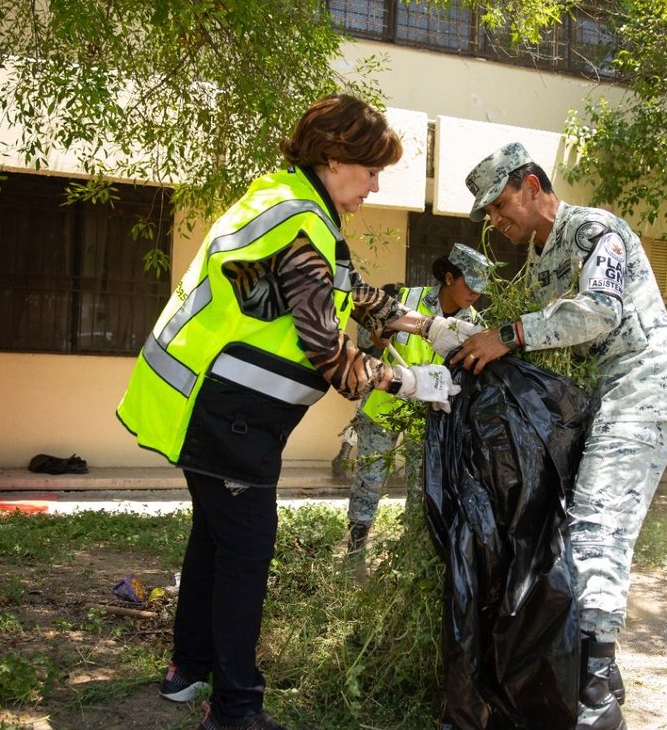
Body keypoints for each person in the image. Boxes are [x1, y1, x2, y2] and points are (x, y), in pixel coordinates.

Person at [116, 94, 462, 730]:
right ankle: (236, 710)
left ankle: (188, 671)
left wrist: (425, 323)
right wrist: (414, 381)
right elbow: (330, 355)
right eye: (371, 169)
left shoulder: (295, 203)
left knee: (214, 541)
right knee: (247, 551)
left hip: (203, 399)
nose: (376, 184)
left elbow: (346, 288)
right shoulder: (299, 224)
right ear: (334, 158)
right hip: (222, 414)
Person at [449, 142, 667, 730]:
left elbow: (598, 312)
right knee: (570, 527)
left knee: (595, 528)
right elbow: (550, 342)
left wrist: (507, 334)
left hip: (642, 392)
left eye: (500, 204)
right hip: (602, 402)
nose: (496, 220)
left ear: (532, 185)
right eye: (487, 213)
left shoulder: (593, 231)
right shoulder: (538, 260)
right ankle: (597, 673)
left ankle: (595, 690)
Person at [347, 244, 493, 552]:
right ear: (449, 277)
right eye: (470, 286)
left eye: (480, 290)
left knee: (420, 491)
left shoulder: (475, 327)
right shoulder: (405, 300)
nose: (474, 295)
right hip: (382, 408)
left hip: (427, 419)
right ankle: (355, 550)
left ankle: (408, 555)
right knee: (368, 481)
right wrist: (376, 338)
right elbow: (365, 343)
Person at [330, 284, 401, 480]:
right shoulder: (372, 317)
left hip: (387, 376)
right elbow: (366, 343)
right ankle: (343, 458)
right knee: (362, 419)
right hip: (372, 374)